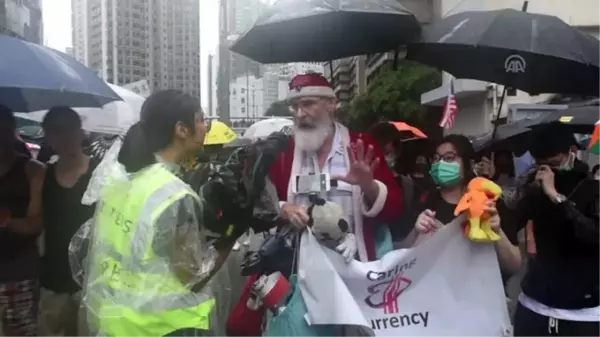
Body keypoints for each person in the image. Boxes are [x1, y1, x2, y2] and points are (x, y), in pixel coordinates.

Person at [83, 90, 222, 337]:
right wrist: (230, 236)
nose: (205, 127)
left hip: (116, 323)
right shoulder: (174, 195)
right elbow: (191, 275)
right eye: (201, 119)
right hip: (165, 327)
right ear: (182, 129)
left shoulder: (118, 182)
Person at [268, 73, 403, 263]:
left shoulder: (361, 146)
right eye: (295, 106)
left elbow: (396, 209)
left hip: (355, 267)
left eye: (307, 104)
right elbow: (266, 205)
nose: (299, 114)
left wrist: (369, 187)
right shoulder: (284, 153)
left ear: (331, 104)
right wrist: (285, 208)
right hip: (303, 268)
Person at [513, 125, 600, 337]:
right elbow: (511, 222)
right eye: (541, 165)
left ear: (571, 152)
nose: (547, 171)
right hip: (535, 302)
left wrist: (556, 197)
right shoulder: (536, 187)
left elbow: (593, 235)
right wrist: (527, 192)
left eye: (553, 164)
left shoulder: (592, 189)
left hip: (582, 310)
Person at [398, 135, 522, 279]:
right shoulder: (423, 200)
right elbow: (401, 257)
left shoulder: (490, 204)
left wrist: (497, 232)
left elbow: (514, 265)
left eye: (449, 158)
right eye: (437, 158)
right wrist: (416, 232)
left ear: (468, 163)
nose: (441, 164)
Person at [39, 107, 97, 337]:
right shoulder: (42, 176)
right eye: (57, 132)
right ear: (49, 138)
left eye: (69, 130)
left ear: (80, 132)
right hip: (53, 279)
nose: (65, 138)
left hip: (91, 281)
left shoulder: (101, 173)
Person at [0, 106, 45, 337]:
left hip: (18, 273)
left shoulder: (33, 170)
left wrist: (6, 220)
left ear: (12, 131)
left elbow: (35, 225)